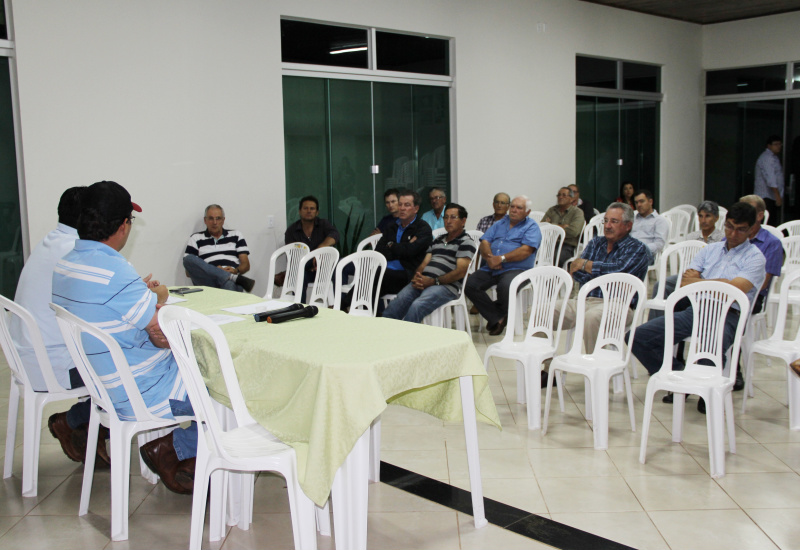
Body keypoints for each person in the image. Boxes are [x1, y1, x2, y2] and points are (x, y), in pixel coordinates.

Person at [52, 181, 197, 494]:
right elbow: (163, 336)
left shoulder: (64, 265)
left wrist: (143, 304)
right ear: (122, 226)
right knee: (231, 383)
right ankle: (175, 448)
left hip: (102, 387)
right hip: (143, 390)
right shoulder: (115, 271)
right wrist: (157, 300)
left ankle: (182, 455)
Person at [630, 202, 766, 414]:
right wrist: (717, 283)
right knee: (637, 337)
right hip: (697, 309)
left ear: (751, 229)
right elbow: (685, 283)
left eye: (740, 229)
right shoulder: (710, 250)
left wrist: (702, 281)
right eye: (730, 226)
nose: (733, 233)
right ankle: (679, 376)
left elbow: (735, 290)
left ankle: (706, 390)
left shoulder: (755, 257)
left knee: (710, 347)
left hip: (728, 315)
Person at [11, 187, 108, 467]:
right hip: (52, 366)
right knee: (131, 370)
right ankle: (74, 421)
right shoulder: (74, 252)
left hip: (27, 360)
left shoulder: (50, 242)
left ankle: (87, 426)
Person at [556, 202, 649, 357]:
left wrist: (587, 265)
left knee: (591, 318)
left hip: (618, 303)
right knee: (541, 311)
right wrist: (594, 269)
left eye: (614, 221)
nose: (607, 226)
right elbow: (578, 273)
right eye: (605, 221)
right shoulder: (595, 243)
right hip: (585, 300)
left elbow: (619, 270)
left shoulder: (637, 248)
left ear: (628, 226)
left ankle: (596, 370)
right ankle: (545, 368)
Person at [383, 204, 476, 323]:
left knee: (417, 305)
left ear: (463, 221)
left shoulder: (466, 242)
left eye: (453, 217)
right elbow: (425, 262)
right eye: (446, 217)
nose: (448, 221)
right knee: (396, 304)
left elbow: (460, 272)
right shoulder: (438, 240)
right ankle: (387, 336)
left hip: (446, 287)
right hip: (424, 282)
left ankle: (407, 337)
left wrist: (434, 281)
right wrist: (417, 276)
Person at [464, 195, 541, 336]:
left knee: (505, 286)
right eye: (512, 206)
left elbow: (526, 250)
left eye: (519, 208)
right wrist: (490, 258)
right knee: (470, 284)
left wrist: (502, 259)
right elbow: (485, 242)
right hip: (492, 266)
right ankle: (498, 317)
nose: (514, 210)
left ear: (527, 212)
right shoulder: (500, 223)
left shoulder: (532, 227)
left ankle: (496, 315)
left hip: (517, 269)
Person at [375, 189, 434, 299]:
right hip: (387, 271)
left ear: (416, 209)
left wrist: (391, 245)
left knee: (377, 276)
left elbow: (410, 252)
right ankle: (368, 311)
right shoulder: (392, 226)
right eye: (400, 204)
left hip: (408, 273)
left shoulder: (422, 228)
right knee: (373, 276)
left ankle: (345, 306)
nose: (402, 208)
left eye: (406, 205)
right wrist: (402, 248)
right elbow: (379, 250)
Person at [183, 204, 255, 293]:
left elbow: (246, 265)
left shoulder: (236, 235)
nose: (214, 222)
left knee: (229, 284)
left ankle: (230, 277)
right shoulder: (196, 238)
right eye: (211, 218)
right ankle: (229, 276)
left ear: (223, 220)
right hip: (207, 282)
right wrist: (215, 271)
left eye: (218, 218)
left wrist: (235, 270)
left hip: (231, 281)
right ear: (205, 220)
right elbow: (188, 270)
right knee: (188, 259)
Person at [283, 195, 340, 302]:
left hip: (325, 268)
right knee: (298, 275)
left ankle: (339, 305)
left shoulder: (323, 224)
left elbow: (335, 235)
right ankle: (301, 308)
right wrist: (312, 261)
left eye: (312, 209)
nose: (309, 211)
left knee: (339, 266)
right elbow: (293, 259)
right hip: (305, 270)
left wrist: (320, 249)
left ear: (317, 212)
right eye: (305, 208)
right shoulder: (292, 231)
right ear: (300, 211)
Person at [739, 194, 782, 314]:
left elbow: (762, 284)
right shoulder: (731, 238)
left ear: (760, 216)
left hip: (752, 296)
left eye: (748, 212)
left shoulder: (772, 243)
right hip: (722, 291)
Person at [542, 186, 584, 267]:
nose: (560, 197)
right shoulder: (552, 210)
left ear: (571, 199)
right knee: (534, 254)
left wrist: (551, 226)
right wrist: (562, 226)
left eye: (564, 195)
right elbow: (543, 228)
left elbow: (573, 231)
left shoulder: (577, 212)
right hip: (549, 243)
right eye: (559, 195)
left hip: (566, 245)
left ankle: (555, 278)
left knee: (556, 257)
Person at [630, 189, 669, 264]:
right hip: (629, 251)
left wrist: (640, 248)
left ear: (650, 202)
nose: (639, 205)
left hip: (646, 254)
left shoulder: (659, 221)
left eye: (642, 201)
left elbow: (659, 244)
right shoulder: (632, 219)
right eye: (636, 202)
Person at [754, 134, 784, 225]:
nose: (778, 146)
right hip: (766, 196)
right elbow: (770, 178)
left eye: (780, 144)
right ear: (769, 145)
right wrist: (777, 195)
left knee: (772, 220)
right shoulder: (767, 158)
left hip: (771, 196)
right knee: (767, 222)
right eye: (776, 144)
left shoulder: (774, 157)